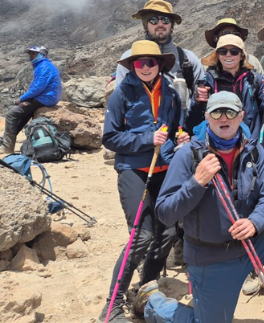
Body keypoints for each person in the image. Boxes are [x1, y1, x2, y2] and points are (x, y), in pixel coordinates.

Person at [134, 91, 264, 323]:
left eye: (230, 112)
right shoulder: (187, 156)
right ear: (207, 117)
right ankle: (153, 303)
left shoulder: (254, 150)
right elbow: (164, 212)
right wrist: (197, 182)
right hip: (212, 254)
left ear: (241, 115)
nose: (224, 118)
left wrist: (254, 222)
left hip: (256, 240)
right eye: (216, 112)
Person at [98, 41, 189, 322]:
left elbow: (176, 130)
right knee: (141, 235)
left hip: (165, 170)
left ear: (160, 64)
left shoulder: (172, 95)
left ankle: (145, 288)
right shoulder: (121, 94)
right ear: (132, 66)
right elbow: (110, 138)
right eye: (140, 63)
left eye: (151, 62)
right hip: (133, 170)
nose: (146, 67)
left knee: (170, 232)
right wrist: (146, 139)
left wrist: (180, 140)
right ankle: (111, 305)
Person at [186, 35, 264, 143]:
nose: (228, 55)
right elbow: (192, 123)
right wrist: (197, 103)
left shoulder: (255, 80)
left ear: (242, 55)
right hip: (215, 148)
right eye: (223, 51)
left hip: (250, 147)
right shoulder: (207, 82)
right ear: (218, 55)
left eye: (234, 51)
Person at [115, 0, 204, 98]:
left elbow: (201, 97)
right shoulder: (130, 58)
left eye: (165, 20)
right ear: (146, 25)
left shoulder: (188, 59)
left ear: (171, 26)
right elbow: (120, 98)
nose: (160, 24)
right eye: (154, 20)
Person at [1, 46, 62, 154]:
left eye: (33, 53)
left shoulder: (44, 66)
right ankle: (6, 142)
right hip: (45, 97)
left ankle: (7, 148)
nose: (31, 56)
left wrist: (21, 99)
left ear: (41, 54)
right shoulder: (43, 65)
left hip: (45, 98)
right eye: (30, 54)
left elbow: (38, 87)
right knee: (23, 114)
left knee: (11, 115)